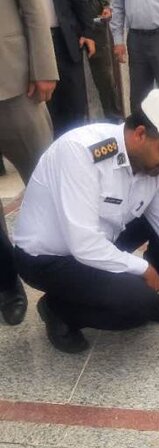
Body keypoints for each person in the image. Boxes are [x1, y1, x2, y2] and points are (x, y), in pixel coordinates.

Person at [13, 89, 159, 354]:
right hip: (48, 258)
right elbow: (83, 243)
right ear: (139, 134)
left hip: (103, 241)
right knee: (136, 305)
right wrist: (141, 268)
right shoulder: (81, 152)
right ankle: (59, 310)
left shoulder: (155, 169)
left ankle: (152, 299)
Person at [0, 0, 59, 326]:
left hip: (16, 81)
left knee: (47, 184)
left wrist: (44, 67)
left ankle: (65, 280)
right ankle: (7, 284)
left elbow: (32, 6)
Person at [47, 0, 96, 136]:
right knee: (48, 107)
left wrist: (88, 32)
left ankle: (77, 146)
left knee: (75, 103)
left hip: (66, 40)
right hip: (37, 43)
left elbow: (82, 3)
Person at [87, 0, 123, 122]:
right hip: (69, 25)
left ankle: (114, 122)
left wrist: (107, 6)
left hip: (96, 25)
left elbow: (108, 4)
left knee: (105, 79)